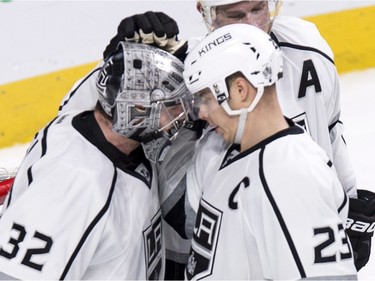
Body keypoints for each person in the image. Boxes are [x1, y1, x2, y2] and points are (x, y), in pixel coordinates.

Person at [58, 1, 375, 277]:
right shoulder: (188, 70)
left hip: (272, 240)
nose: (253, 25)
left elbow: (331, 131)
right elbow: (78, 126)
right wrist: (118, 67)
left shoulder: (307, 49)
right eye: (236, 15)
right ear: (207, 14)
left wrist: (347, 209)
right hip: (190, 252)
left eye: (258, 8)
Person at [0, 42, 191, 279]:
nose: (178, 118)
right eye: (170, 108)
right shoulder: (75, 184)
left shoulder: (88, 127)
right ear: (138, 108)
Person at [182, 22, 357, 280]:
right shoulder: (232, 152)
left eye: (206, 98)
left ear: (241, 91)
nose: (202, 113)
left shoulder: (292, 175)